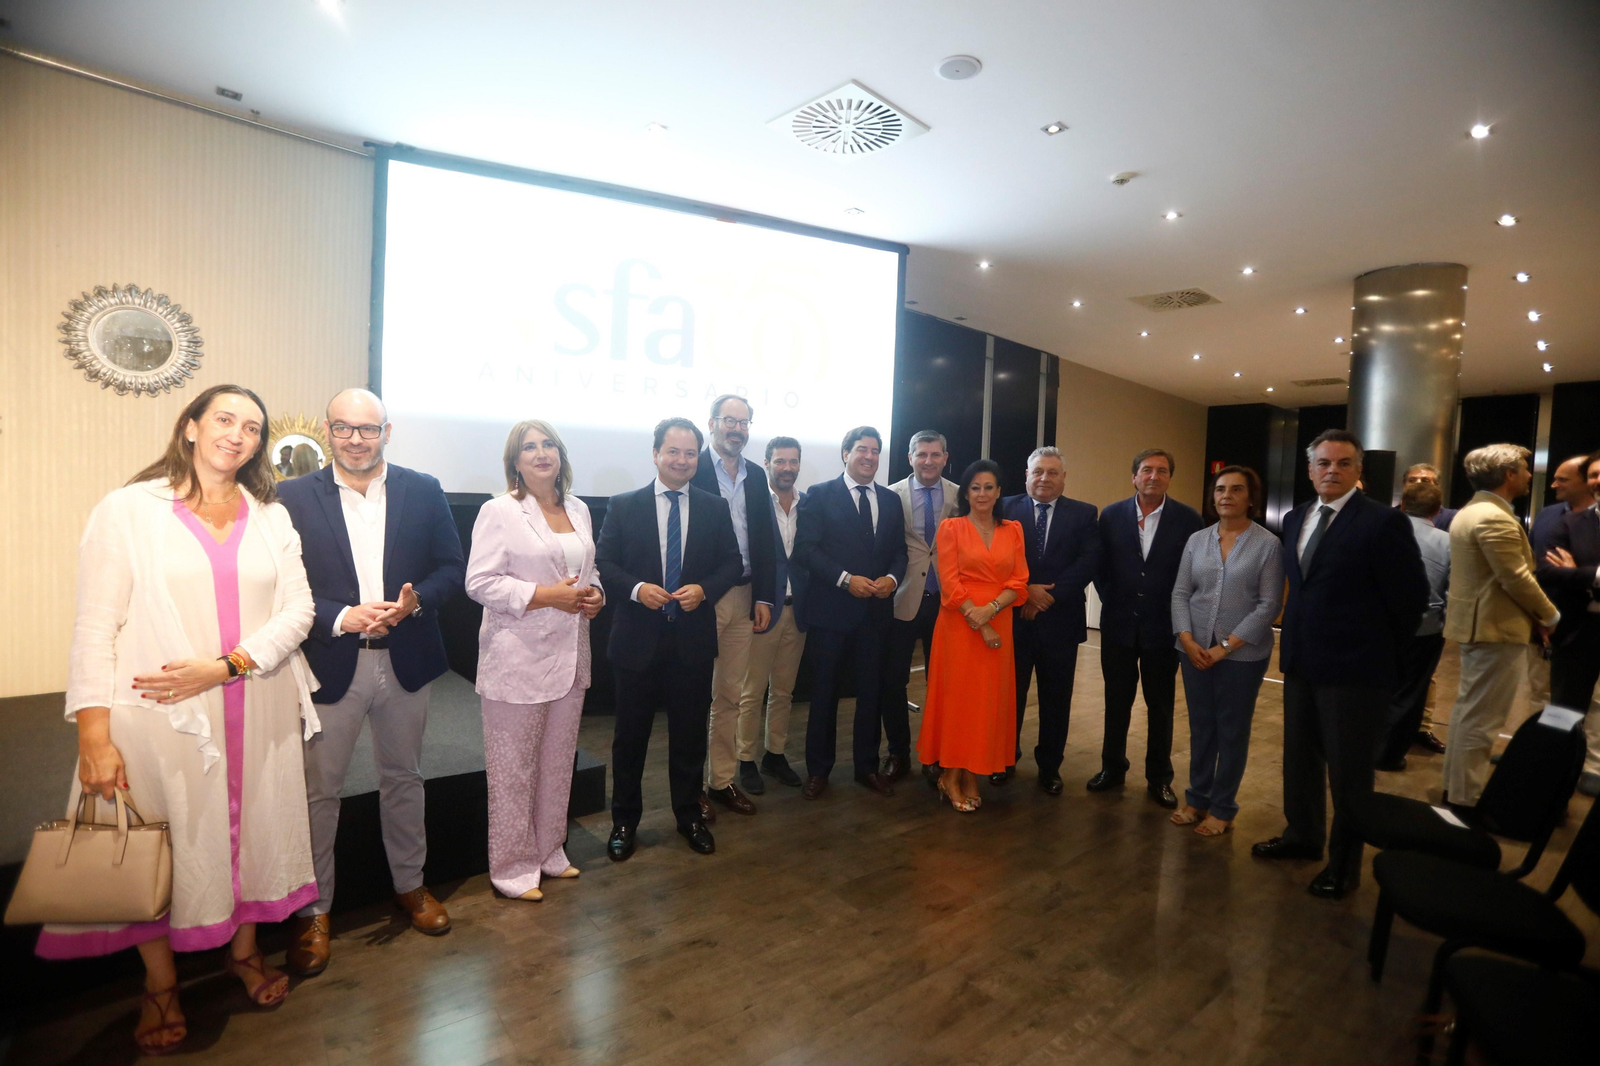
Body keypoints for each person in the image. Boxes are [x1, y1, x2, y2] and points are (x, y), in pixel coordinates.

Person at [43, 384, 319, 1054]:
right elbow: (95, 626)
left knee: (254, 828)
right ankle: (160, 986)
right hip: (159, 715)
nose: (239, 435)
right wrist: (93, 733)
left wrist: (227, 664)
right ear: (190, 427)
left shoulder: (271, 515)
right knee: (159, 844)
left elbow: (299, 610)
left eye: (253, 427)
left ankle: (244, 953)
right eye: (224, 419)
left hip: (254, 698)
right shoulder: (128, 510)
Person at [276, 388, 466, 975]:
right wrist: (339, 615)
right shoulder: (289, 497)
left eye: (368, 428)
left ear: (388, 430)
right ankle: (314, 911)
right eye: (344, 428)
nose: (356, 439)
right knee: (319, 794)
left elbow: (451, 569)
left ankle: (410, 886)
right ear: (328, 431)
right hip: (331, 661)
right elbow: (283, 581)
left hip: (405, 659)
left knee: (404, 779)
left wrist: (414, 604)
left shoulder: (423, 488)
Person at [1252, 430, 1428, 899]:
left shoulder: (1382, 523)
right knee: (1299, 758)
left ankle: (1343, 865)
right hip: (1302, 662)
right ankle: (1302, 836)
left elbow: (1409, 600)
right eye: (1324, 463)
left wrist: (1378, 654)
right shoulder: (1294, 518)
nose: (1333, 470)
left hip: (1357, 671)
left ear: (1358, 472)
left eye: (1344, 463)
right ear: (1310, 470)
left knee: (1349, 774)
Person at [464, 420, 604, 900]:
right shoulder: (499, 511)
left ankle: (549, 852)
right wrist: (545, 596)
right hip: (516, 661)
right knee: (513, 771)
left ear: (561, 456)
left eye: (549, 445)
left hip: (571, 657)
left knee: (557, 763)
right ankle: (512, 868)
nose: (541, 453)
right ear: (515, 462)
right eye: (530, 447)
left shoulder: (580, 509)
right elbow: (479, 583)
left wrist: (596, 595)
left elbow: (589, 569)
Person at [596, 418, 742, 860]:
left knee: (689, 736)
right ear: (656, 453)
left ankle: (689, 816)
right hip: (637, 641)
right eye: (673, 452)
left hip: (692, 642)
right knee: (630, 738)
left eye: (690, 453)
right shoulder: (624, 505)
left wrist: (705, 590)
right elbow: (605, 562)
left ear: (699, 458)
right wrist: (639, 590)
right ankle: (624, 820)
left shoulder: (714, 508)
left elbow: (731, 564)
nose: (682, 460)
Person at [1439, 444, 1560, 810]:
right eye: (1524, 468)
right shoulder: (1493, 517)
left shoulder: (1471, 511)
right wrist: (1551, 615)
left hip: (1480, 624)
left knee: (1468, 712)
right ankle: (1466, 800)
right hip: (1494, 627)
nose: (1528, 474)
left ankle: (1455, 789)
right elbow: (1516, 578)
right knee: (1482, 719)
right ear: (1508, 474)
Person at [792, 426, 908, 798]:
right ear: (845, 453)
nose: (869, 457)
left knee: (870, 695)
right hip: (831, 614)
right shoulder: (819, 495)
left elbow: (900, 552)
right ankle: (819, 771)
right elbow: (806, 551)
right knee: (823, 694)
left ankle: (866, 767)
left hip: (875, 615)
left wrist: (892, 577)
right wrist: (845, 579)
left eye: (875, 451)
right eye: (862, 449)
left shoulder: (890, 501)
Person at [1169, 466, 1284, 837]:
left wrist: (1223, 648)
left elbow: (1268, 605)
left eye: (1236, 490)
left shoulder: (1267, 544)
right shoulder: (1196, 540)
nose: (1226, 496)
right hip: (1193, 650)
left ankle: (1223, 807)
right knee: (1202, 729)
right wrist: (1186, 639)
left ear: (1251, 498)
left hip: (1241, 657)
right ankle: (1197, 798)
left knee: (1231, 731)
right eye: (1220, 489)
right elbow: (1181, 593)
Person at [1089, 448, 1202, 808]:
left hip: (1163, 630)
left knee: (1161, 706)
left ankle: (1159, 777)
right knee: (1116, 702)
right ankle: (1112, 767)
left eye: (1162, 471)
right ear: (1134, 476)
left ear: (1170, 478)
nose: (1154, 476)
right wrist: (1114, 601)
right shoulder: (1111, 516)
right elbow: (1100, 567)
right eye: (1147, 470)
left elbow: (1193, 574)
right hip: (1119, 626)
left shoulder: (1189, 520)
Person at [917, 460, 1030, 811]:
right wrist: (980, 622)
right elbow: (949, 583)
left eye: (989, 487)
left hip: (999, 622)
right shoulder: (951, 527)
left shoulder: (1013, 529)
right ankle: (950, 774)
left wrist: (992, 610)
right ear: (966, 493)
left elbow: (1019, 581)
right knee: (959, 700)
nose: (982, 493)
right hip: (960, 625)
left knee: (986, 703)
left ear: (999, 492)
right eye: (975, 487)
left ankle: (972, 774)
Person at [690, 395, 776, 817]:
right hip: (702, 597)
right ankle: (690, 790)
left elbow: (765, 543)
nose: (736, 429)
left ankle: (721, 780)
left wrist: (764, 595)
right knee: (691, 696)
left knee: (729, 696)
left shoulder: (757, 476)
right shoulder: (692, 468)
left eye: (744, 422)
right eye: (730, 420)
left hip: (744, 598)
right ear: (712, 423)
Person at [999, 446, 1099, 793]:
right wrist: (1025, 592)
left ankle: (1050, 767)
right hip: (1011, 619)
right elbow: (992, 560)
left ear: (1064, 478)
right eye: (1038, 471)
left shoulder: (1084, 514)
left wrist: (1046, 597)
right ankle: (1003, 758)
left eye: (1052, 472)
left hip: (1060, 622)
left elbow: (1087, 563)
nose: (1044, 478)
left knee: (1056, 700)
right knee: (1009, 696)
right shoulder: (1004, 508)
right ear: (1026, 475)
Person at [883, 430, 959, 784]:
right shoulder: (890, 496)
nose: (928, 461)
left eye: (935, 454)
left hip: (948, 602)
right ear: (910, 457)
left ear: (945, 457)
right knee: (893, 681)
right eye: (921, 454)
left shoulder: (962, 495)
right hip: (903, 599)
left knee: (941, 684)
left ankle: (937, 754)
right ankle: (898, 753)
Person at [736, 437, 809, 792]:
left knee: (784, 690)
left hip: (798, 613)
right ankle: (745, 759)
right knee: (752, 690)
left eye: (793, 462)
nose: (787, 468)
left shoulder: (806, 505)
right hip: (764, 610)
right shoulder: (753, 505)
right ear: (766, 464)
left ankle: (774, 754)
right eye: (780, 461)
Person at [1374, 481, 1453, 772]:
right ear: (1438, 510)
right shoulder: (1446, 541)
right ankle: (1389, 755)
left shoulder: (1379, 532)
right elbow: (1452, 590)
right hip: (1425, 629)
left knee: (1374, 686)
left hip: (1378, 626)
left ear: (1403, 505)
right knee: (1411, 693)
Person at [1540, 451, 1600, 795]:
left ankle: (1593, 767)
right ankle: (1553, 779)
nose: (1598, 480)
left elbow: (1567, 574)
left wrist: (1579, 573)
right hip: (1579, 632)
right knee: (1563, 707)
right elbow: (1548, 571)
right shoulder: (1570, 523)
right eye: (1592, 475)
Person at [1396, 465, 1453, 753]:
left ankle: (1415, 730)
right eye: (1414, 480)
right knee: (1409, 686)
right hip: (1425, 624)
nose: (1419, 484)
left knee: (1418, 683)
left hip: (1404, 623)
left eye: (1426, 481)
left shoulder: (1453, 525)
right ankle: (1394, 743)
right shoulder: (1385, 523)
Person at [1402, 462, 1459, 532]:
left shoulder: (1452, 517)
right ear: (1404, 485)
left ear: (1436, 486)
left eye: (1425, 481)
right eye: (1412, 480)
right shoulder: (1391, 515)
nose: (1418, 483)